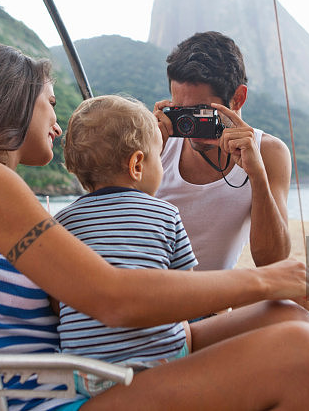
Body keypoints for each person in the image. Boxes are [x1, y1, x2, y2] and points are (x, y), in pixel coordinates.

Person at [0, 44, 309, 411]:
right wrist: (266, 280)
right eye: (51, 104)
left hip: (66, 380)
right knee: (307, 358)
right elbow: (113, 298)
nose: (57, 125)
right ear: (15, 104)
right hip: (41, 402)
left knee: (289, 317)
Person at [55, 95, 196, 396]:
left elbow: (57, 301)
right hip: (160, 365)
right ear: (137, 165)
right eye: (159, 157)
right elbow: (186, 292)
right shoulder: (166, 214)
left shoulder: (61, 222)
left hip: (85, 374)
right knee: (184, 324)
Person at [154, 31, 291, 271]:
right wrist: (149, 151)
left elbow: (273, 261)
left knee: (296, 289)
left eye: (201, 112)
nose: (189, 125)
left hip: (214, 291)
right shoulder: (158, 143)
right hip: (152, 284)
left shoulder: (268, 152)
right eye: (180, 111)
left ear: (238, 98)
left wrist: (257, 176)